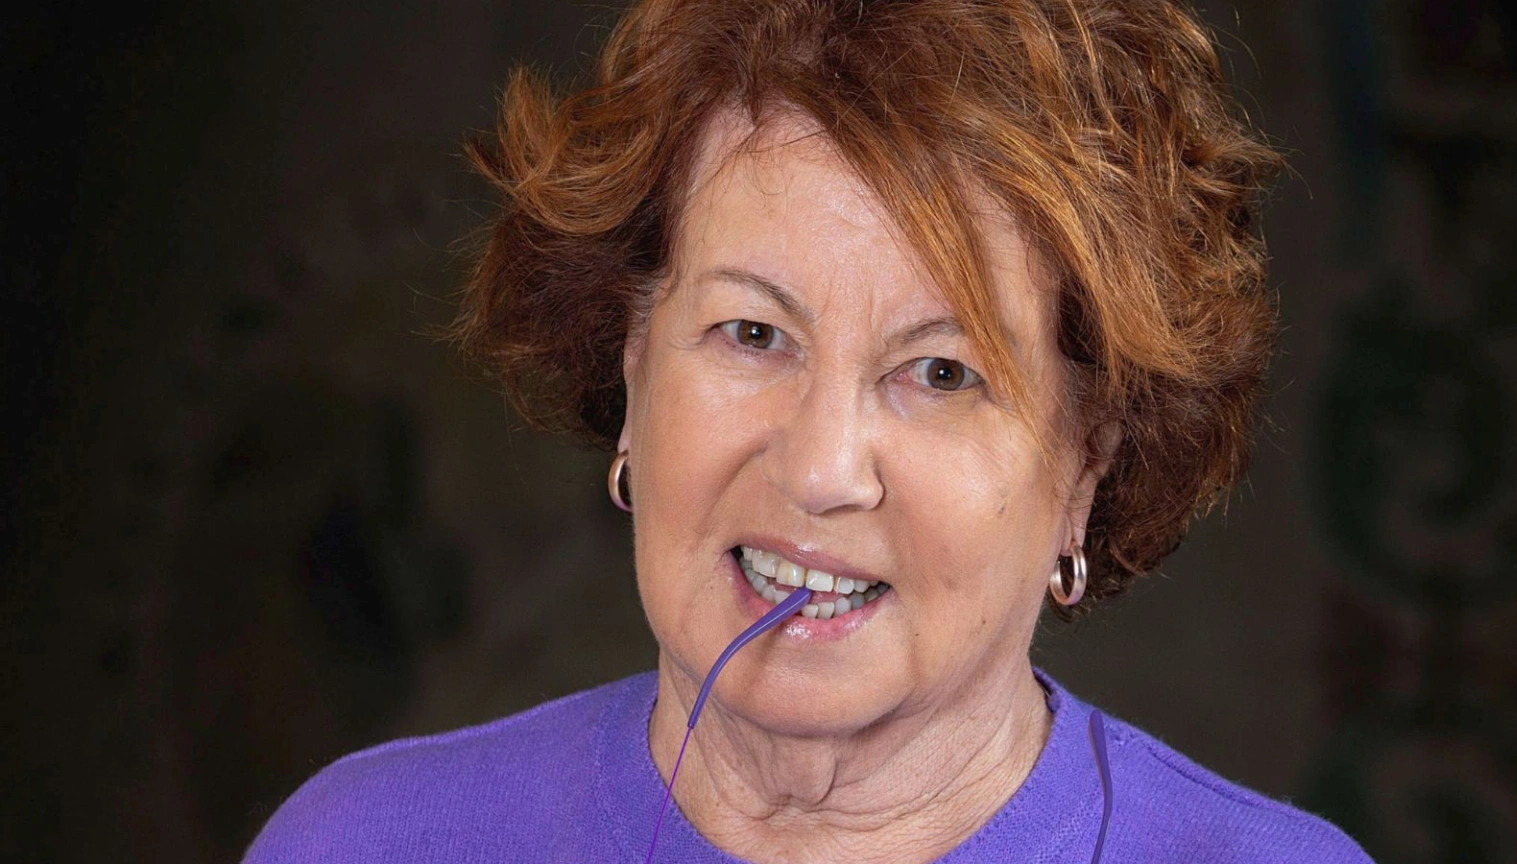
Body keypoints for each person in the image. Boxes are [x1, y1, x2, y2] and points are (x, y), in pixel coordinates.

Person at [244, 0, 1374, 861]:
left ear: (1088, 462)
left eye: (942, 372)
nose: (821, 469)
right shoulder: (362, 845)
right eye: (753, 334)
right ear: (634, 362)